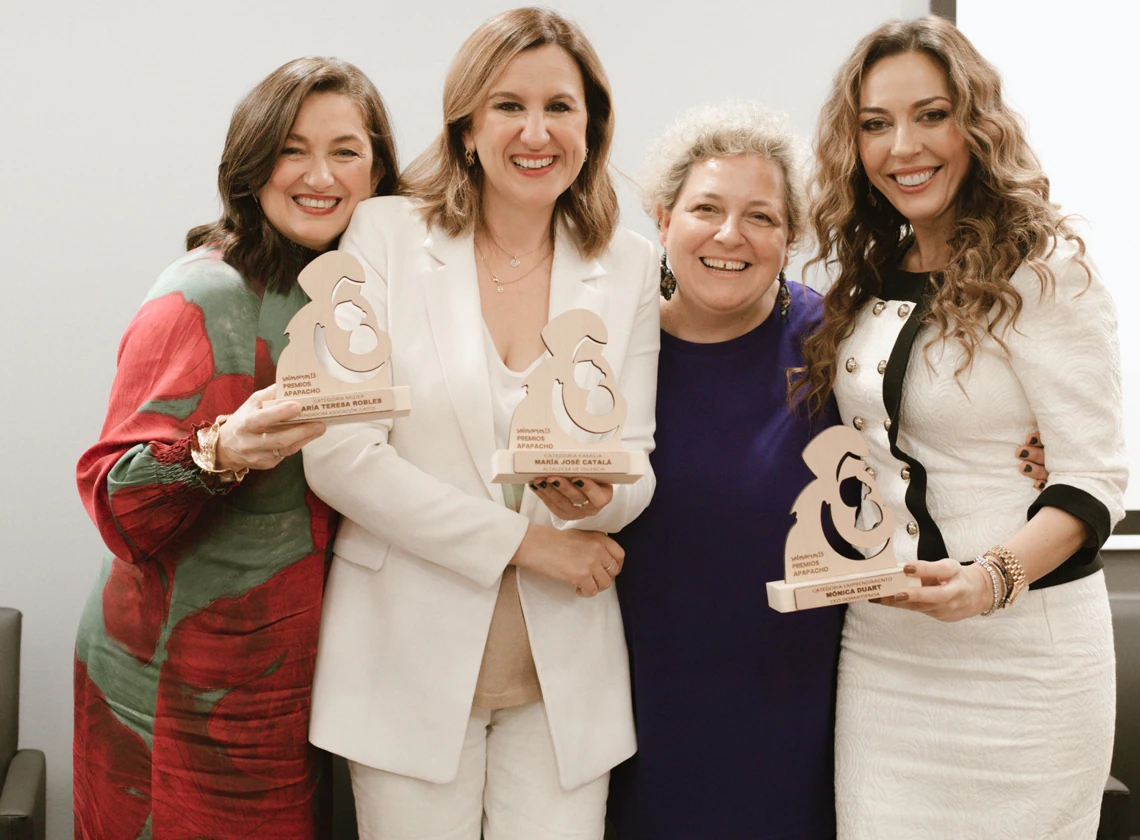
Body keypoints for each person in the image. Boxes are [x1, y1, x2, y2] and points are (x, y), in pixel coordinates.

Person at [299, 9, 659, 840]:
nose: (537, 132)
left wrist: (594, 502)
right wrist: (528, 544)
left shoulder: (631, 263)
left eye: (560, 107)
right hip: (403, 665)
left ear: (591, 127)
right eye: (508, 106)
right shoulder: (385, 234)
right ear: (466, 128)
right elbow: (342, 456)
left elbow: (632, 463)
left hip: (563, 672)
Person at [795, 17, 1126, 839]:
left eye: (931, 115)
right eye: (876, 124)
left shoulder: (1046, 272)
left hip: (1025, 654)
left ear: (975, 124)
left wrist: (989, 579)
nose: (903, 145)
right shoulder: (871, 278)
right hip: (887, 649)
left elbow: (1096, 480)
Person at [74, 57, 401, 839]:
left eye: (346, 151)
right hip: (180, 679)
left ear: (380, 169)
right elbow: (116, 506)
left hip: (293, 675)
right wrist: (221, 451)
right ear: (252, 165)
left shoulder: (367, 294)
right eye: (292, 149)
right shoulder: (205, 292)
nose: (319, 175)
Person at [605, 103, 844, 840]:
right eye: (706, 208)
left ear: (792, 235)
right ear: (662, 216)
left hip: (802, 710)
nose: (730, 235)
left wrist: (1028, 446)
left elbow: (937, 426)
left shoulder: (834, 341)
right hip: (644, 707)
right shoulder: (611, 348)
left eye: (761, 217)